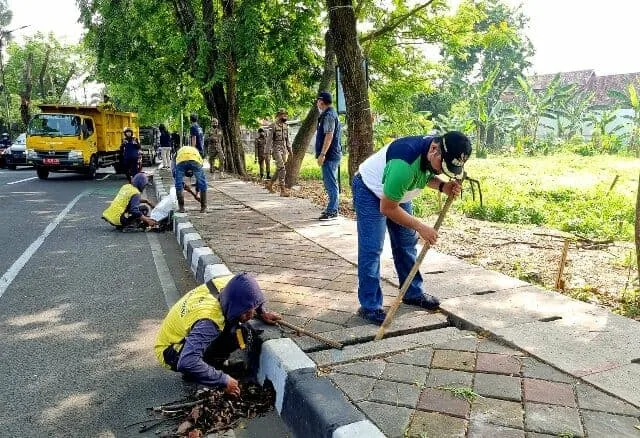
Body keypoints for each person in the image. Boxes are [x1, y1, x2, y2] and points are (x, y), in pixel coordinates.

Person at [352, 131, 472, 325]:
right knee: (372, 248)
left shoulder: (434, 150)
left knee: (406, 243)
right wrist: (421, 227)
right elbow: (388, 207)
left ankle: (412, 293)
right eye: (442, 167)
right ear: (434, 150)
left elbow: (425, 175)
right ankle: (370, 306)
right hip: (371, 190)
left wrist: (443, 186)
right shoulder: (404, 164)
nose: (441, 172)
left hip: (398, 191)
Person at [155, 273, 281, 396]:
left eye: (253, 309)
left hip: (184, 332)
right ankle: (199, 374)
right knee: (234, 334)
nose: (251, 315)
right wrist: (222, 380)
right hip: (170, 351)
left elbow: (248, 294)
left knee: (238, 331)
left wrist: (262, 312)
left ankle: (211, 366)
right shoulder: (209, 321)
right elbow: (187, 361)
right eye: (246, 311)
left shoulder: (230, 284)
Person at [315, 91, 342, 221]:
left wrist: (322, 154)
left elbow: (329, 135)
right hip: (331, 154)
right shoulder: (327, 114)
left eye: (318, 101)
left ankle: (332, 211)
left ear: (321, 101)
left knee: (331, 183)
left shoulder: (329, 115)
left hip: (330, 155)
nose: (317, 104)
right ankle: (333, 208)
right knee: (330, 182)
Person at [175, 143, 207, 213]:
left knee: (178, 185)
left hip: (181, 161)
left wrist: (195, 193)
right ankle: (203, 207)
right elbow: (200, 181)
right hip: (194, 160)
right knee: (203, 183)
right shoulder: (196, 152)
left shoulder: (178, 153)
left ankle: (181, 208)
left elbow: (176, 177)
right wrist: (197, 192)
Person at [265, 109, 291, 197]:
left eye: (286, 115)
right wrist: (266, 152)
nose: (285, 117)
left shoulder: (286, 126)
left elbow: (287, 139)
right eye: (284, 115)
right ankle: (282, 190)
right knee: (282, 168)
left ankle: (270, 184)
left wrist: (290, 150)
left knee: (279, 168)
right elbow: (269, 140)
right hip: (276, 149)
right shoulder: (273, 126)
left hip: (284, 149)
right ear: (279, 116)